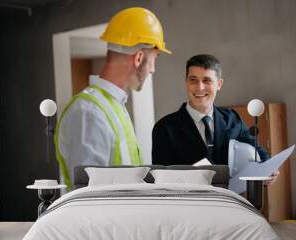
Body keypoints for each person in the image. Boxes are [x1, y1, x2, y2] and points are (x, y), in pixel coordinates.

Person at [55, 7, 171, 187]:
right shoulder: (89, 112)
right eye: (154, 59)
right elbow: (89, 193)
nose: (153, 70)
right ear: (139, 58)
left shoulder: (113, 107)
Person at [152, 54, 278, 183]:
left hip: (229, 199)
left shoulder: (232, 119)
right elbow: (161, 179)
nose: (200, 87)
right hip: (188, 201)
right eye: (193, 80)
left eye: (207, 80)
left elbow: (255, 147)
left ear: (219, 84)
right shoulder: (164, 128)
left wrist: (268, 166)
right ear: (186, 82)